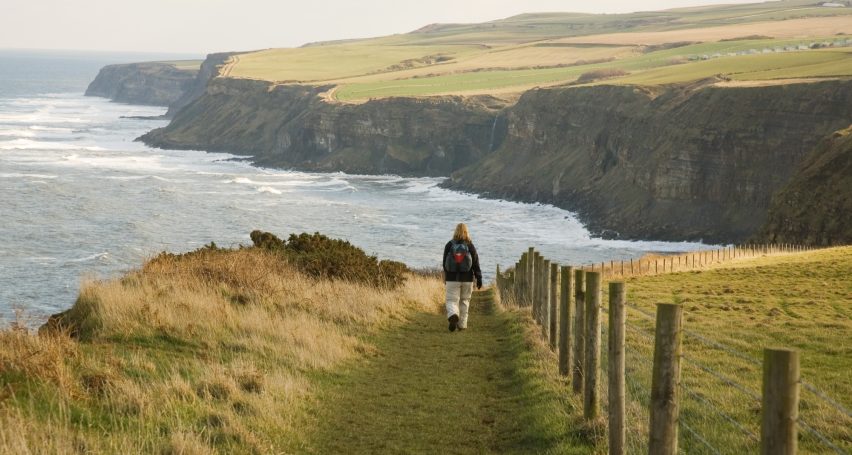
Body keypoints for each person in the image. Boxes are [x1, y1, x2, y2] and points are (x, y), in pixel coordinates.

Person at [443, 223, 482, 332]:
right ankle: (462, 325)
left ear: (455, 231)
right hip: (467, 278)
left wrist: (447, 276)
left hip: (452, 278)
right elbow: (475, 263)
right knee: (465, 301)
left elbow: (444, 263)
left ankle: (453, 315)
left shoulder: (449, 245)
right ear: (466, 232)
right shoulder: (470, 245)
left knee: (451, 300)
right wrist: (479, 278)